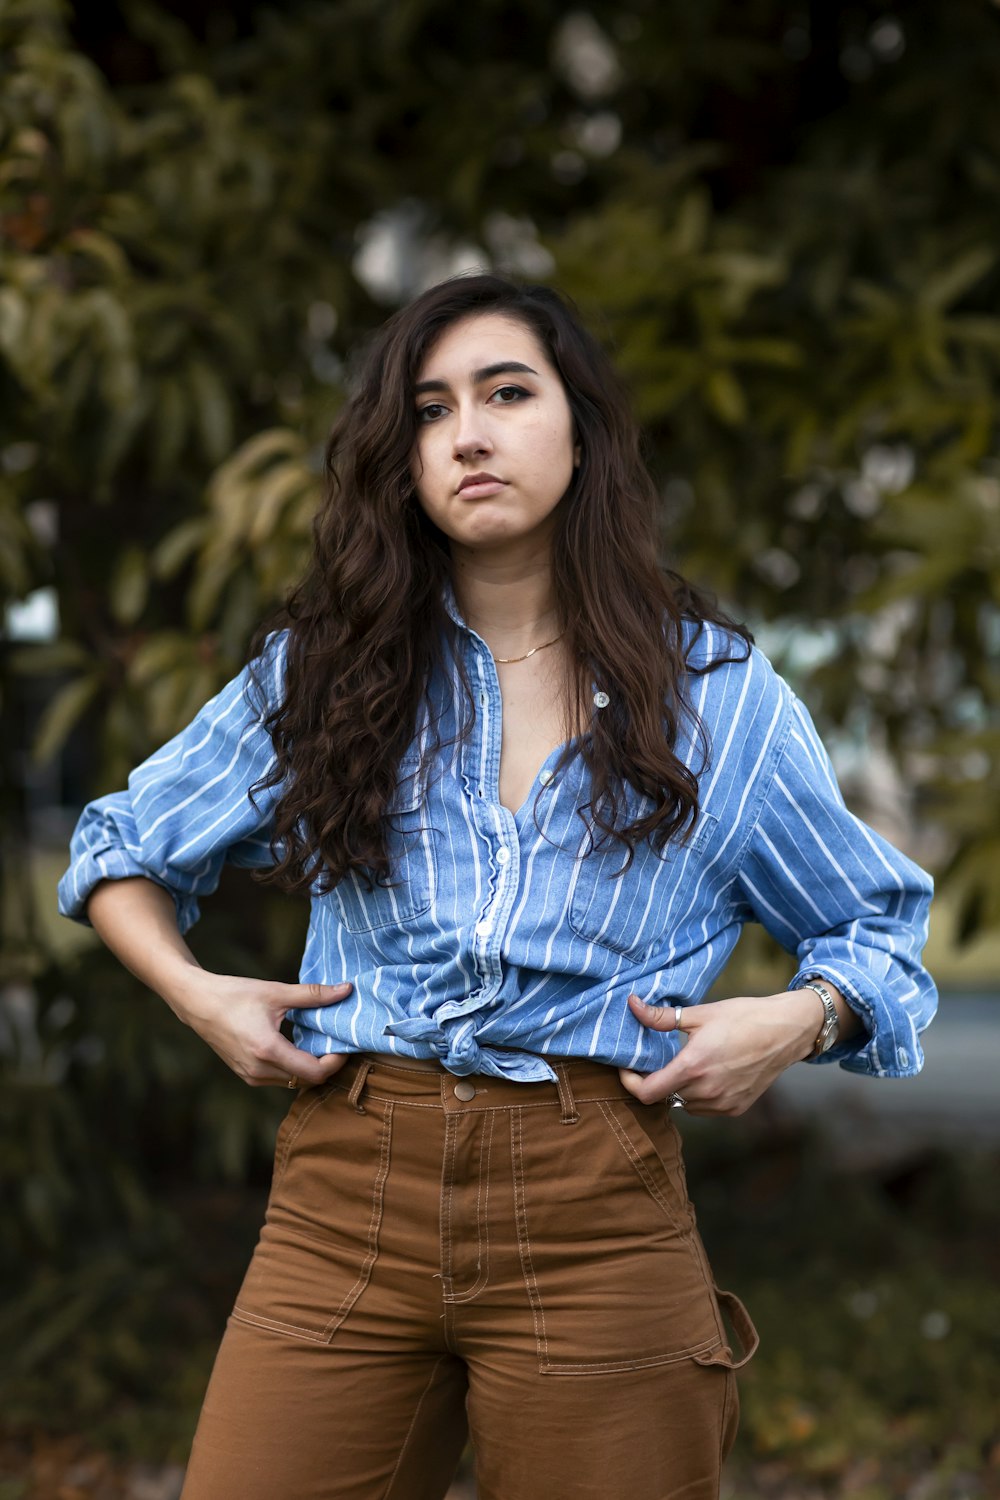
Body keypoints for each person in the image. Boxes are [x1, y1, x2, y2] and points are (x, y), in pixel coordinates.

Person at [58, 272, 936, 1500]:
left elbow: (875, 927)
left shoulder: (723, 700)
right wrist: (200, 998)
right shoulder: (323, 672)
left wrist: (793, 1022)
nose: (466, 433)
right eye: (428, 410)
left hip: (598, 1210)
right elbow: (120, 848)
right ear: (402, 457)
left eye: (506, 393)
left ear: (580, 428)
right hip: (344, 1197)